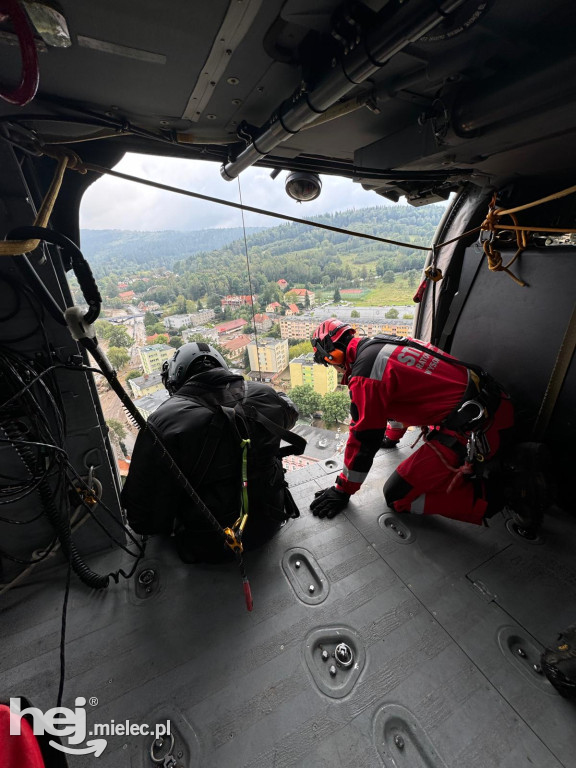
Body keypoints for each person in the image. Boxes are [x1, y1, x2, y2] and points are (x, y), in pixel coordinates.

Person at [309, 319, 516, 526]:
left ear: (332, 354)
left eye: (328, 363)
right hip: (492, 406)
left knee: (398, 496)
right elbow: (401, 400)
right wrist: (392, 437)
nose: (332, 367)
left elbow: (364, 438)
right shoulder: (383, 344)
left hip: (476, 430)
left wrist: (342, 490)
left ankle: (501, 496)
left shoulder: (365, 376)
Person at [122, 342, 303, 563]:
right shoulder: (264, 394)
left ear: (175, 380)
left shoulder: (163, 422)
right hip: (271, 522)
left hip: (210, 546)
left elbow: (143, 519)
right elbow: (290, 411)